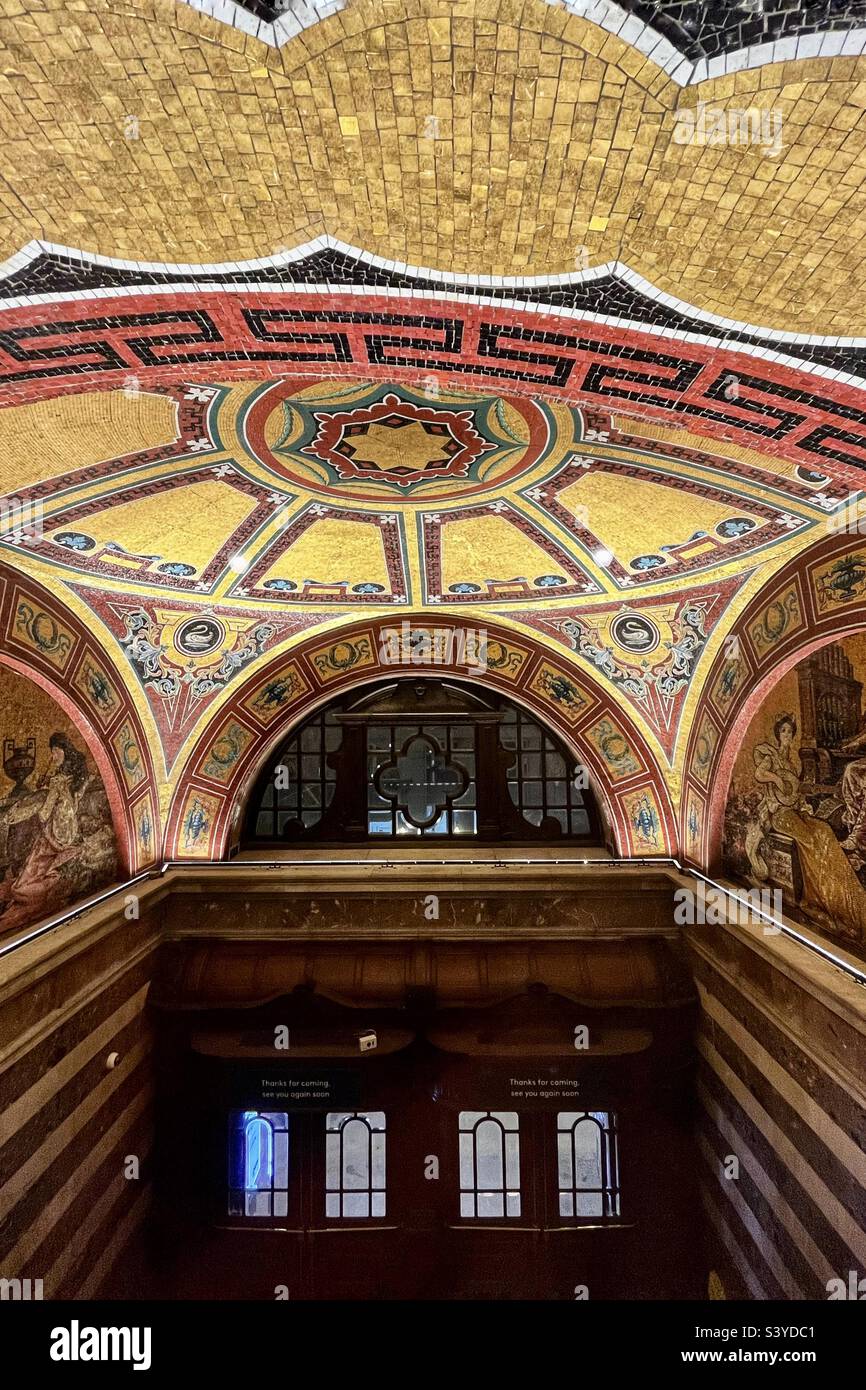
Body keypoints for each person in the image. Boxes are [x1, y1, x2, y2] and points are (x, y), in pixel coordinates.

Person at [745, 714, 866, 945]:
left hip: (794, 811)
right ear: (778, 734)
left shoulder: (793, 763)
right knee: (810, 841)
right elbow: (760, 774)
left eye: (791, 732)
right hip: (778, 815)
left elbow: (796, 794)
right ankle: (816, 899)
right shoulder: (771, 757)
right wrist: (777, 780)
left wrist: (805, 805)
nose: (788, 736)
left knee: (823, 832)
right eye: (784, 732)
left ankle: (846, 901)